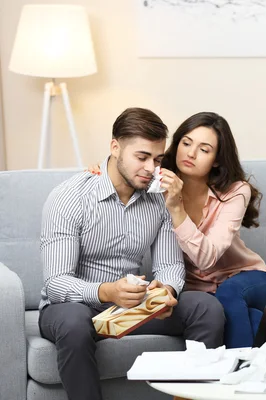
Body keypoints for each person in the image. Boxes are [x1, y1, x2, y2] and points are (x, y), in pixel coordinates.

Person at [40, 107, 225, 400]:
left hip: (133, 308)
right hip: (76, 306)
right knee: (74, 322)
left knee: (206, 307)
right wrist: (107, 291)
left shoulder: (158, 200)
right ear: (115, 147)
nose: (151, 168)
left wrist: (165, 290)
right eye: (141, 157)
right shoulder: (68, 198)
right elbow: (56, 283)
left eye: (157, 159)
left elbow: (170, 266)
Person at [90, 111, 266, 349]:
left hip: (248, 279)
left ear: (217, 159)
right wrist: (100, 170)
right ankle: (254, 372)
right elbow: (122, 170)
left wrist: (177, 208)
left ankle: (235, 376)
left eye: (204, 149)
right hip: (202, 292)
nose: (190, 153)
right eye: (186, 143)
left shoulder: (235, 191)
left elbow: (205, 259)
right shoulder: (154, 183)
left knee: (229, 295)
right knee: (249, 319)